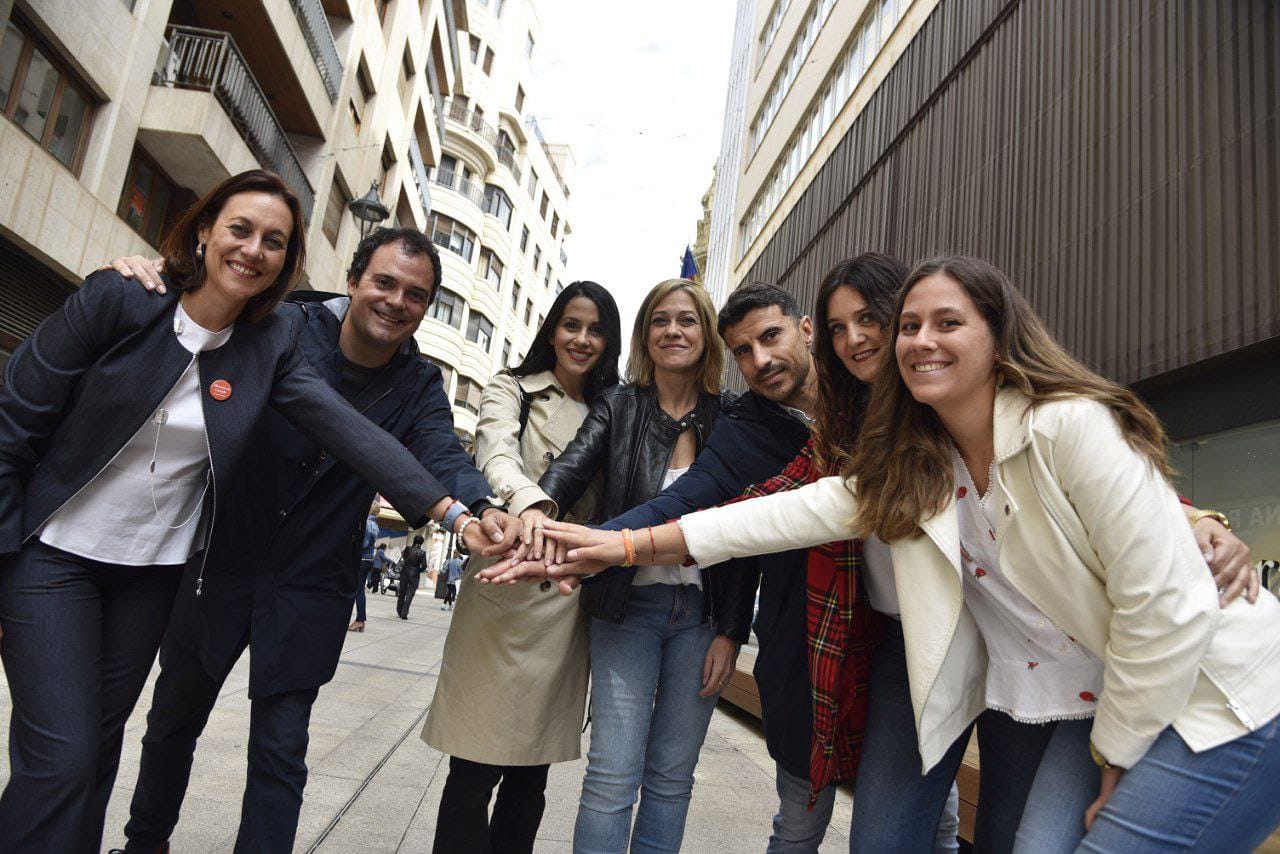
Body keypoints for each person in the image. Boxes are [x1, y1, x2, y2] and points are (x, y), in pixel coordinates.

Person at [513, 254, 1280, 852]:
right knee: (894, 827)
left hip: (1205, 691)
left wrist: (1197, 519)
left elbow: (1147, 566)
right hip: (1018, 670)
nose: (909, 341)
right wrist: (618, 544)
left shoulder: (1061, 424)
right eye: (910, 326)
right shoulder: (912, 460)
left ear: (997, 333)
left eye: (941, 324)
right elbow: (773, 513)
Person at [0, 171, 470, 852]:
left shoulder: (268, 343)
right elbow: (14, 425)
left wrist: (456, 512)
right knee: (67, 757)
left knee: (98, 748)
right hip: (68, 558)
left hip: (156, 574)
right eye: (240, 230)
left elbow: (349, 430)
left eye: (274, 241)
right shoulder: (127, 297)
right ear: (203, 230)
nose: (254, 250)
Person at [101, 225, 518, 853]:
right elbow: (194, 317)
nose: (395, 301)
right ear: (353, 281)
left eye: (415, 295)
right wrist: (145, 272)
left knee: (280, 750)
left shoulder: (420, 385)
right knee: (170, 725)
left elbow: (439, 452)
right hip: (219, 564)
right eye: (383, 282)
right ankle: (144, 843)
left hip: (309, 585)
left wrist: (480, 505)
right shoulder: (280, 326)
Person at [533, 278, 754, 852]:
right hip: (626, 610)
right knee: (611, 776)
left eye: (687, 320)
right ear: (644, 334)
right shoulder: (620, 405)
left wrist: (731, 630)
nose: (673, 331)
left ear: (707, 335)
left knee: (672, 780)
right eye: (660, 320)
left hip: (702, 619)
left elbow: (745, 536)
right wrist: (533, 511)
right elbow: (569, 472)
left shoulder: (732, 418)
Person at [423, 281, 622, 854]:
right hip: (500, 600)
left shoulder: (617, 408)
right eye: (571, 325)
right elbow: (494, 448)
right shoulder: (513, 388)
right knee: (471, 772)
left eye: (596, 329)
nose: (582, 340)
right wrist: (526, 500)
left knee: (531, 778)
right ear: (552, 329)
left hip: (565, 604)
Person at [350, 507, 382, 632]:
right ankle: (360, 620)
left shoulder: (367, 523)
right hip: (368, 560)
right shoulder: (375, 524)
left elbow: (364, 543)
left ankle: (360, 620)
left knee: (358, 591)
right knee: (359, 590)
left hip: (362, 559)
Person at [398, 535, 429, 619]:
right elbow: (424, 565)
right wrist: (418, 570)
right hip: (414, 575)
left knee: (402, 592)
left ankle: (399, 610)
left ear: (414, 541)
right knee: (410, 594)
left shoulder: (407, 549)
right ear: (422, 543)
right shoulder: (422, 553)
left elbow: (404, 558)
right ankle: (404, 613)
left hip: (404, 572)